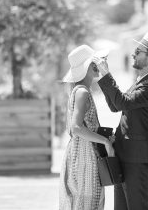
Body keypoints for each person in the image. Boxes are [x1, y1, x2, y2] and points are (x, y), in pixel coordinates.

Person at [93, 31, 148, 210]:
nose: (133, 54)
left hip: (136, 157)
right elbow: (115, 106)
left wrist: (106, 74)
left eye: (138, 51)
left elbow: (121, 102)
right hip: (125, 154)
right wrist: (103, 78)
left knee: (138, 207)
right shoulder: (141, 81)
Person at [59, 44, 115, 210]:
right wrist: (105, 141)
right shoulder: (82, 92)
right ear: (89, 67)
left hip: (82, 153)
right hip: (84, 156)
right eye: (95, 63)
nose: (98, 65)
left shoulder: (80, 90)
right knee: (88, 203)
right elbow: (76, 127)